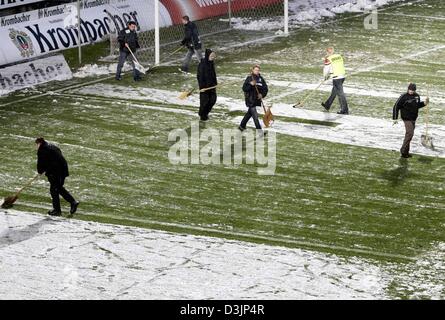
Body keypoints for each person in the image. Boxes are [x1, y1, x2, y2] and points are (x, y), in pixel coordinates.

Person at [36, 138, 79, 216]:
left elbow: (41, 162)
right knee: (57, 188)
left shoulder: (42, 150)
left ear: (39, 143)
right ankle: (68, 205)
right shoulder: (52, 146)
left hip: (56, 171)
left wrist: (40, 171)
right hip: (63, 169)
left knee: (54, 189)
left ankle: (60, 208)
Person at [392, 83, 429, 158]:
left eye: (413, 90)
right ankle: (403, 150)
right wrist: (395, 118)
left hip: (413, 118)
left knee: (409, 135)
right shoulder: (403, 97)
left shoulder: (417, 96)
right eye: (410, 90)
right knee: (410, 133)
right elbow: (396, 106)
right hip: (406, 118)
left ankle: (405, 153)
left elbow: (417, 105)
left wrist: (424, 103)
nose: (411, 91)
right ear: (408, 89)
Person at [239, 65, 268, 133]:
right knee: (255, 116)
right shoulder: (249, 78)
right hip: (250, 99)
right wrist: (250, 84)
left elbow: (265, 89)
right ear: (252, 70)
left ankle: (242, 126)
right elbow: (244, 89)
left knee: (249, 113)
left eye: (258, 70)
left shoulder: (261, 79)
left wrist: (262, 95)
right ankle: (259, 131)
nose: (257, 71)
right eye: (255, 70)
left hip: (257, 100)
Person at [321, 47, 349, 115]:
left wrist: (325, 77)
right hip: (342, 76)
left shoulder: (328, 59)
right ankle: (327, 104)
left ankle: (344, 110)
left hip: (336, 78)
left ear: (327, 52)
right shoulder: (339, 56)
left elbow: (326, 70)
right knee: (334, 91)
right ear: (333, 51)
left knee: (340, 94)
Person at [197, 49, 217, 121]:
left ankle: (205, 113)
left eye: (213, 56)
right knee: (204, 103)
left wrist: (215, 83)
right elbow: (199, 76)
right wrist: (202, 87)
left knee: (213, 100)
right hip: (204, 88)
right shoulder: (202, 64)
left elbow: (213, 74)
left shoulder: (211, 63)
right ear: (207, 55)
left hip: (212, 86)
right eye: (211, 55)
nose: (213, 57)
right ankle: (202, 115)